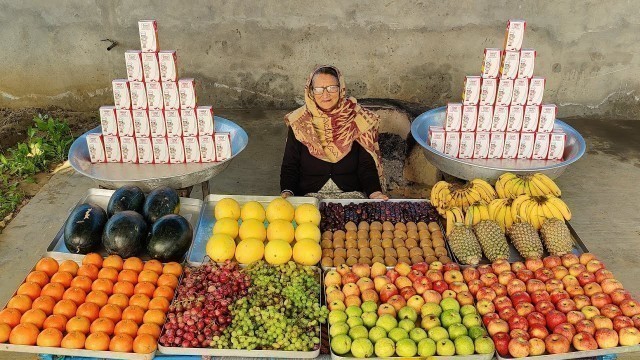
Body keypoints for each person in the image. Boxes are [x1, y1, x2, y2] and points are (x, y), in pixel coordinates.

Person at [280, 65, 388, 200]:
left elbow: (366, 165)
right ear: (311, 92)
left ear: (341, 89)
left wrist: (374, 193)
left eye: (332, 88)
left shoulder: (357, 118)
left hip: (351, 196)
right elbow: (290, 165)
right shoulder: (300, 122)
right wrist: (288, 191)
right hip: (309, 197)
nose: (325, 95)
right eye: (318, 89)